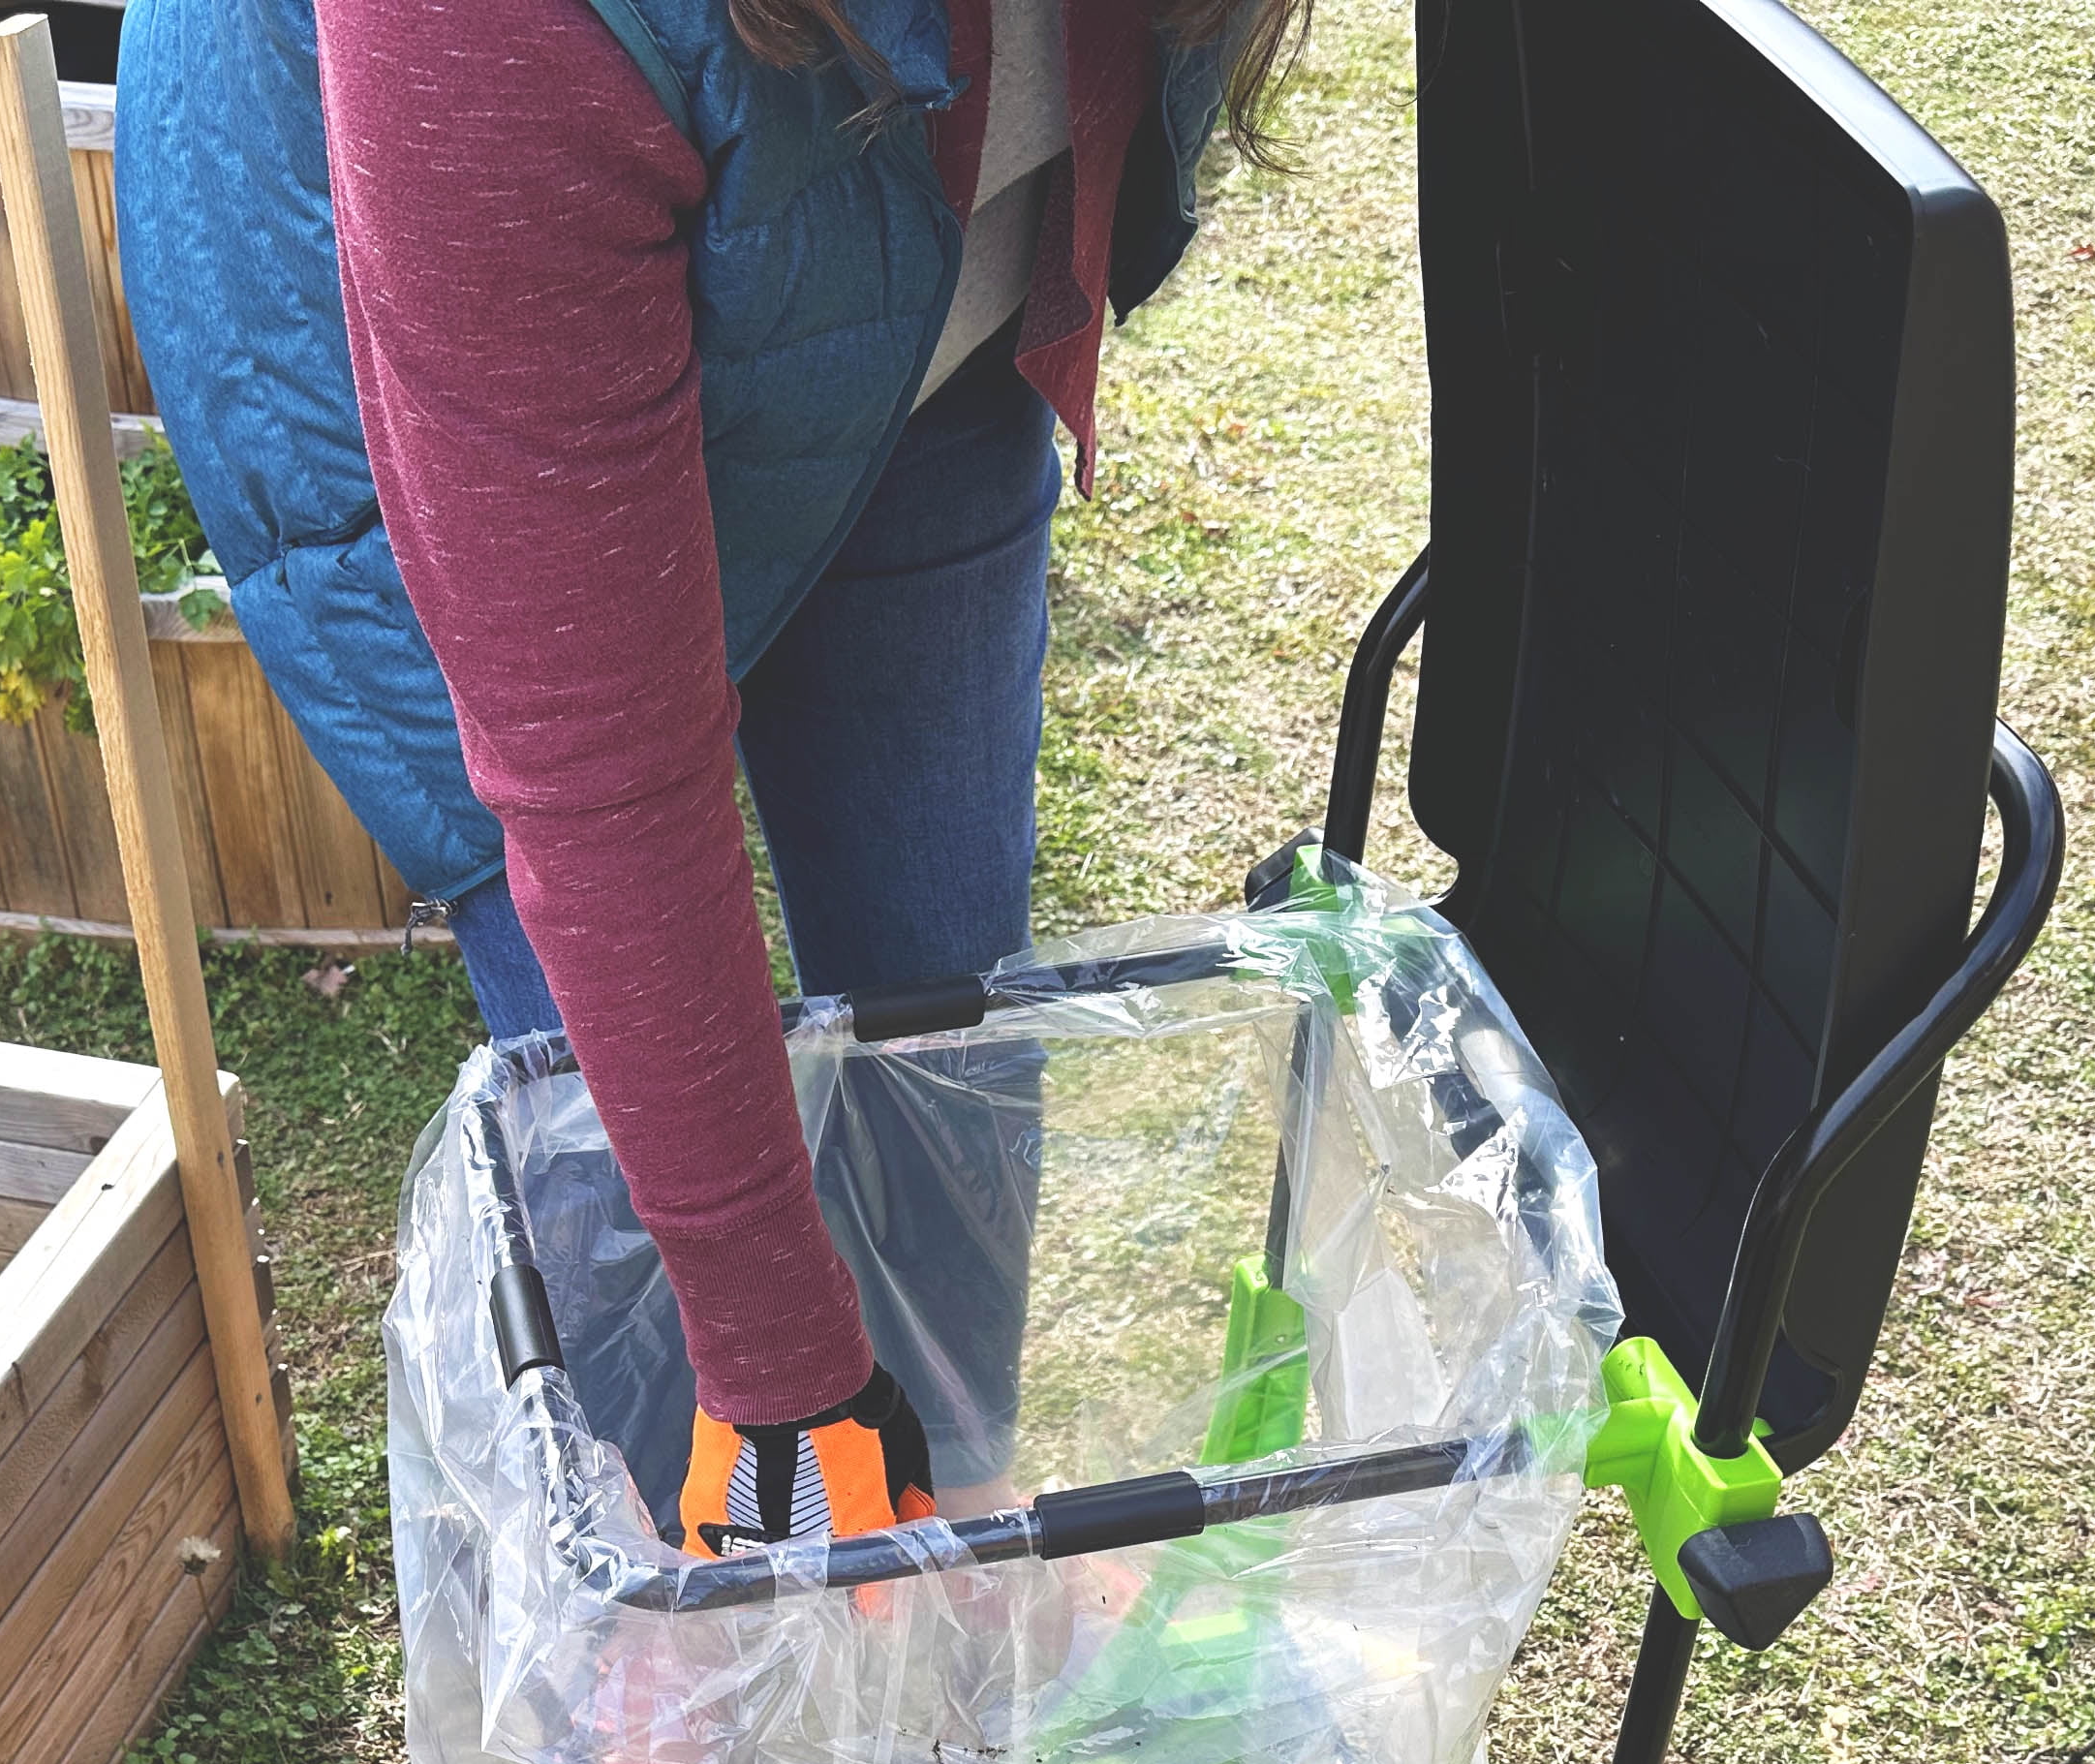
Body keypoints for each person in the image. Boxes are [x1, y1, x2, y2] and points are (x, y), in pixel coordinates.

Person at [115, 0, 1306, 1545]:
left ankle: (943, 1529)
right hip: (439, 357)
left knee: (946, 1007)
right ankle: (679, 1674)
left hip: (901, 345)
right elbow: (601, 771)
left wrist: (935, 1466)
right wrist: (785, 1387)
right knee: (634, 1150)